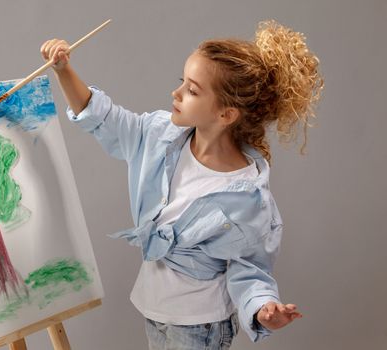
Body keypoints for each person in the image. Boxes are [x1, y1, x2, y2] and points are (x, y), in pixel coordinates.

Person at [40, 19, 323, 350]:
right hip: (155, 310)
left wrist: (263, 309)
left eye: (192, 90)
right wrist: (63, 71)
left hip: (200, 326)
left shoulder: (248, 197)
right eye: (181, 83)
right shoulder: (160, 136)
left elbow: (250, 269)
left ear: (227, 115)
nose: (175, 94)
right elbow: (106, 119)